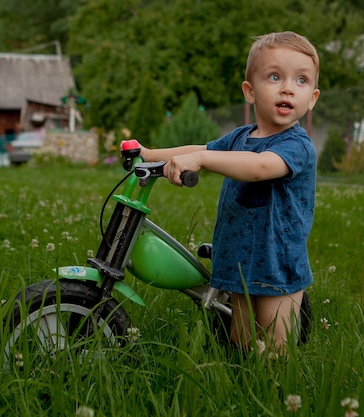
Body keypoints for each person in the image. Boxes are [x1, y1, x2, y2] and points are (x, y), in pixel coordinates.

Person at [132, 31, 320, 350]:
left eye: (301, 80)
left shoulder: (297, 146)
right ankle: (239, 386)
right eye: (275, 76)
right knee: (240, 342)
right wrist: (149, 154)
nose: (288, 87)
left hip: (278, 262)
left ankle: (274, 394)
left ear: (312, 98)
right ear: (250, 90)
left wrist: (202, 159)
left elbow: (260, 166)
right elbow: (200, 147)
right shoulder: (240, 137)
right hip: (237, 257)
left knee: (275, 347)